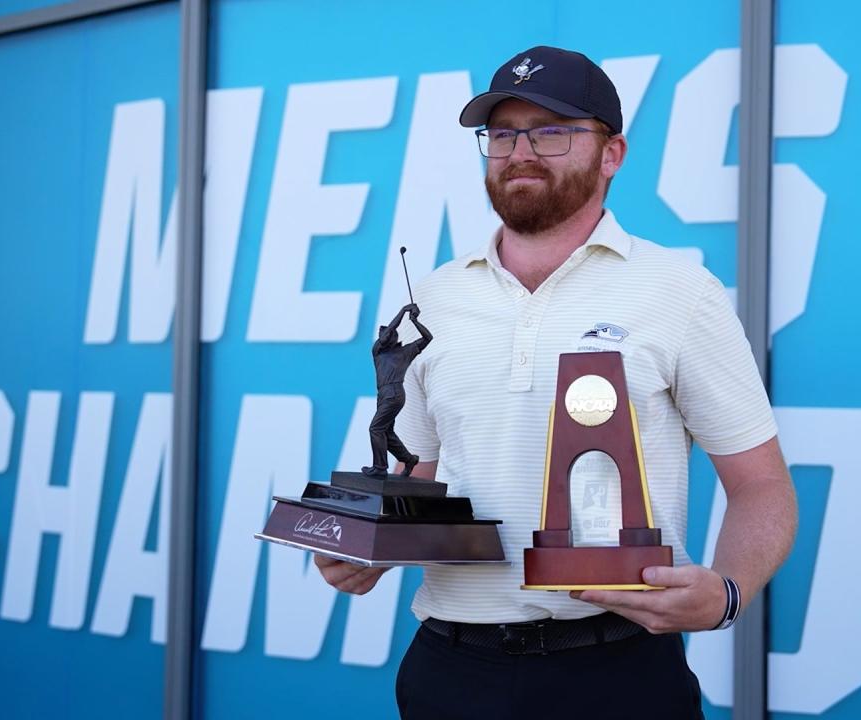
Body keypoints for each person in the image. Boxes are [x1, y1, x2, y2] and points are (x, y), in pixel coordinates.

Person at [315, 45, 797, 719]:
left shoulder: (681, 292)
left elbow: (761, 485)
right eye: (502, 134)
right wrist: (370, 547)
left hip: (618, 670)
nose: (520, 152)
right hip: (450, 669)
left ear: (612, 154)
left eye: (550, 131)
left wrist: (728, 592)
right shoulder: (435, 298)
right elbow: (421, 471)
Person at [362, 303, 432, 476]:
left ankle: (380, 467)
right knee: (386, 431)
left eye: (388, 333)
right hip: (384, 395)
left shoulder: (405, 351)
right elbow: (388, 332)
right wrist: (403, 311)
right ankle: (409, 459)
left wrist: (414, 321)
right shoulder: (378, 351)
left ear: (395, 336)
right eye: (382, 334)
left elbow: (427, 338)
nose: (384, 336)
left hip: (394, 393)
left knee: (376, 429)